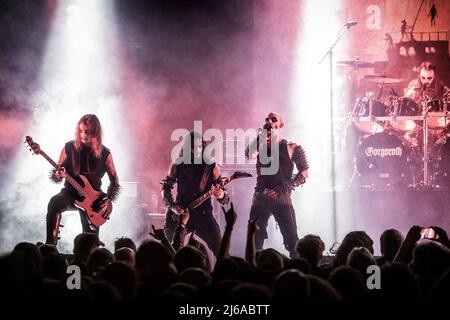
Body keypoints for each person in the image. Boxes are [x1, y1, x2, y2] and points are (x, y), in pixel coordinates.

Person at [46, 114, 120, 245]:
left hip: (94, 200)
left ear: (96, 133)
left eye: (88, 131)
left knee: (90, 243)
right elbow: (56, 174)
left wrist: (109, 200)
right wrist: (57, 175)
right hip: (70, 194)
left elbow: (114, 181)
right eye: (81, 131)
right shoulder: (68, 148)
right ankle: (50, 245)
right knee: (54, 203)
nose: (84, 134)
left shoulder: (105, 153)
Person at [245, 112, 309, 258]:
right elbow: (249, 154)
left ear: (281, 124)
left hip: (282, 198)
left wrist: (286, 187)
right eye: (267, 119)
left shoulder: (291, 147)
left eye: (274, 119)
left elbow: (304, 172)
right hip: (260, 198)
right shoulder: (259, 145)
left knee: (292, 240)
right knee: (255, 239)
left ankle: (297, 270)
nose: (269, 121)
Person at [161, 131, 230, 257]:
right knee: (168, 252)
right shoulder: (178, 164)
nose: (197, 150)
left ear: (203, 146)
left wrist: (220, 195)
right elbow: (165, 188)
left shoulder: (211, 166)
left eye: (199, 146)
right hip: (182, 214)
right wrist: (173, 207)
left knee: (221, 251)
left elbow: (224, 196)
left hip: (203, 215)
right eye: (193, 146)